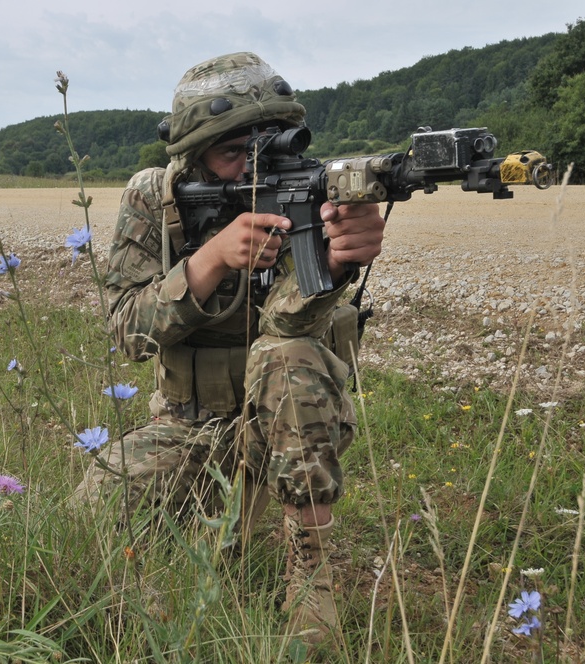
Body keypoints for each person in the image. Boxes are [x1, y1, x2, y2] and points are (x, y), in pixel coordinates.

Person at [73, 52, 385, 650]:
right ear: (193, 156)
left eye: (269, 145)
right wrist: (209, 260)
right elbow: (124, 330)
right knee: (93, 509)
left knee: (287, 354)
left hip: (282, 428)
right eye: (233, 151)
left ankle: (309, 569)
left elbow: (286, 325)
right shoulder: (155, 200)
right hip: (188, 424)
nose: (254, 166)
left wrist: (340, 260)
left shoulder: (305, 194)